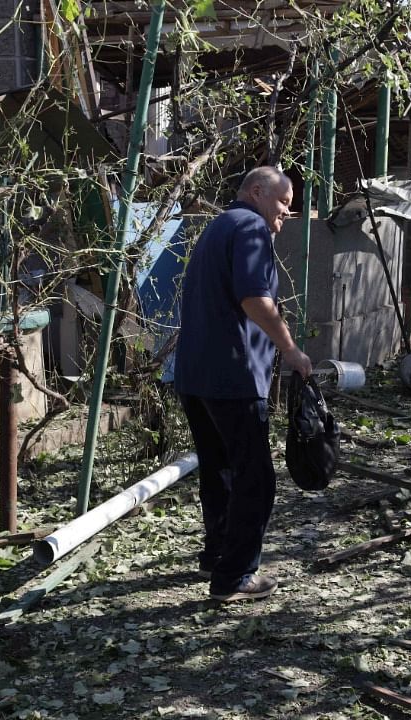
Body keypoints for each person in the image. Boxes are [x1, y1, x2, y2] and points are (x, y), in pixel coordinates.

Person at [173, 166, 313, 602]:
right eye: (284, 203)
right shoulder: (251, 227)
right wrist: (290, 350)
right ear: (257, 192)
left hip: (195, 374)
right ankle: (235, 576)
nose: (286, 214)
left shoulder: (219, 226)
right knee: (255, 479)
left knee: (220, 471)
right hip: (232, 376)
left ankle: (217, 554)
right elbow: (255, 300)